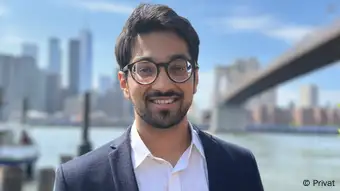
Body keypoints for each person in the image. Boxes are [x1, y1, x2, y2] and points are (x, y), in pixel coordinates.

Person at [53, 3, 264, 191]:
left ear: (196, 79)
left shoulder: (241, 166)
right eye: (145, 69)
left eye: (178, 67)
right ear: (124, 83)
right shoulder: (77, 182)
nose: (163, 85)